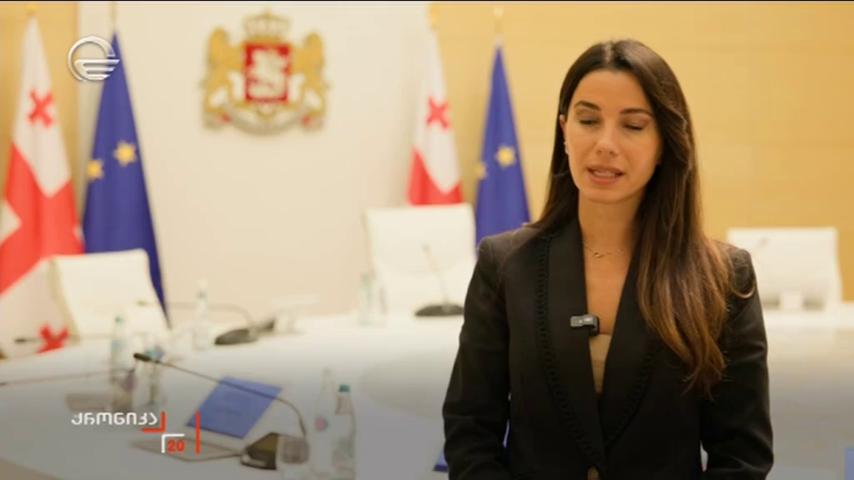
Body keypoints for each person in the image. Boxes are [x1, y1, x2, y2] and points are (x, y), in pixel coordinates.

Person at [442, 39, 773, 480]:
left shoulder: (723, 277)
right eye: (588, 120)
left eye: (633, 126)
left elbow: (742, 455)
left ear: (665, 143)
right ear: (564, 130)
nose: (605, 143)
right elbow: (470, 432)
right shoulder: (504, 265)